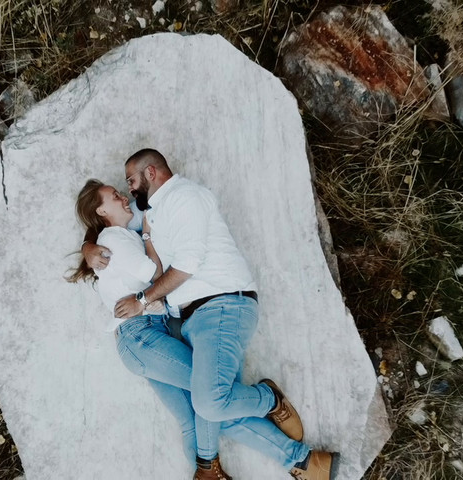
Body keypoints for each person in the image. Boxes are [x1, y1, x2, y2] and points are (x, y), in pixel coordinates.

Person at [82, 149, 338, 480]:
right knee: (205, 406)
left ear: (151, 173)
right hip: (167, 328)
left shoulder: (184, 197)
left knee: (209, 403)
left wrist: (143, 298)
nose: (127, 190)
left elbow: (183, 264)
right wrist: (89, 247)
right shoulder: (147, 218)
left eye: (129, 182)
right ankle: (288, 458)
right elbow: (107, 230)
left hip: (214, 306)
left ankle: (272, 432)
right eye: (119, 192)